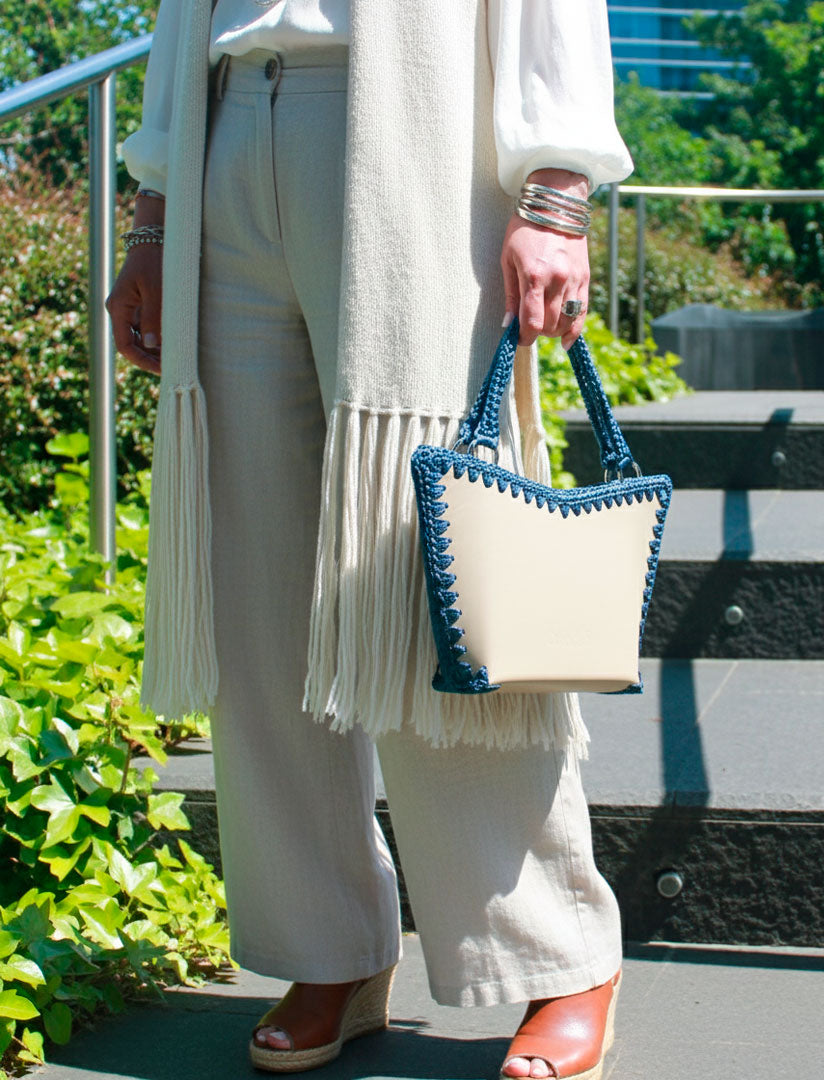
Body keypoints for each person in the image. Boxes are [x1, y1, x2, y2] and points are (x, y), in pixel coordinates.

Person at [106, 1, 634, 1076]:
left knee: (424, 573)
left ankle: (560, 953)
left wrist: (555, 189)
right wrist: (155, 207)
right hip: (228, 124)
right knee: (254, 591)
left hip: (413, 126)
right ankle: (330, 946)